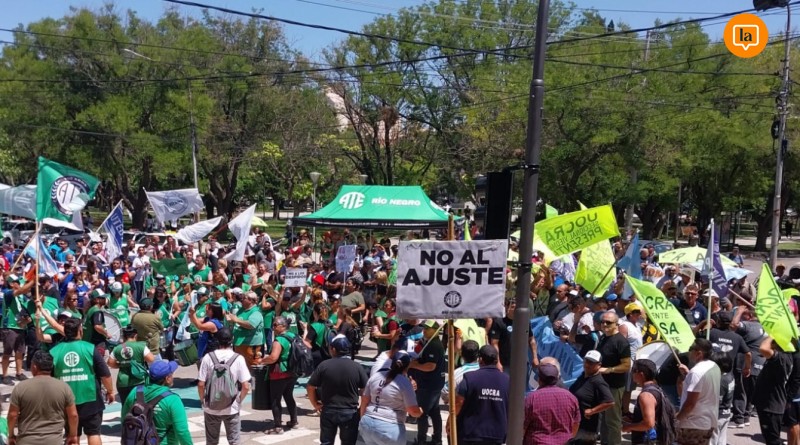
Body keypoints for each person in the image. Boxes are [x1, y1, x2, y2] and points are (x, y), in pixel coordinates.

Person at [50, 318, 115, 445]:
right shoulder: (89, 348)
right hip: (90, 398)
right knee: (93, 432)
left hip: (66, 401)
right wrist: (110, 391)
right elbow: (105, 374)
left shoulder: (54, 351)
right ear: (80, 331)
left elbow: (49, 378)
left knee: (72, 435)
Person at [7, 350, 79, 445]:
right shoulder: (64, 387)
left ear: (34, 367)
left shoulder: (21, 388)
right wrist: (73, 435)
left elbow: (12, 415)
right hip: (54, 441)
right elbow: (73, 415)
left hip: (26, 440)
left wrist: (11, 435)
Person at [307, 336, 368, 445]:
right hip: (350, 411)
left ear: (334, 349)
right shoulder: (357, 367)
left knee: (326, 442)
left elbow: (310, 387)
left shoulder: (324, 365)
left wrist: (315, 404)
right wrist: (361, 410)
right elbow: (366, 391)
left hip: (328, 410)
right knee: (349, 442)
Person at [197, 328, 251, 445]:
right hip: (231, 407)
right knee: (234, 441)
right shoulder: (238, 358)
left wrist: (203, 400)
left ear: (217, 340)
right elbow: (246, 386)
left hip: (211, 407)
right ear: (232, 340)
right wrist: (238, 400)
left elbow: (201, 384)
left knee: (211, 441)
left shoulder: (208, 357)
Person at [121, 360, 193, 445]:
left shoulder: (135, 392)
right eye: (171, 374)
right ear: (167, 379)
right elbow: (182, 432)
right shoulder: (173, 400)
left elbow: (124, 419)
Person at [359, 350, 422, 445]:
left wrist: (362, 419)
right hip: (389, 427)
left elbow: (364, 400)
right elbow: (413, 411)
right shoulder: (404, 382)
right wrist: (420, 411)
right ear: (407, 366)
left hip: (367, 423)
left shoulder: (376, 376)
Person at [454, 344, 510, 445]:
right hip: (497, 435)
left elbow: (459, 402)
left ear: (480, 360)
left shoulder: (469, 378)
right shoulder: (507, 381)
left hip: (471, 434)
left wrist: (451, 421)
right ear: (496, 360)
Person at [258, 316, 298, 434]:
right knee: (289, 396)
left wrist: (262, 361)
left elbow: (273, 357)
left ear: (283, 326)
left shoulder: (279, 340)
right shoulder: (293, 336)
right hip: (292, 371)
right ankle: (294, 421)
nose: (273, 327)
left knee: (276, 400)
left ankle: (278, 427)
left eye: (275, 325)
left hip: (279, 373)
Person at [408, 319, 446, 445]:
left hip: (429, 384)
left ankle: (421, 441)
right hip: (432, 383)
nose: (424, 330)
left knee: (422, 413)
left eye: (428, 328)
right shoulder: (429, 342)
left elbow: (430, 366)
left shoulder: (433, 345)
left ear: (435, 330)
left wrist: (414, 365)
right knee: (434, 411)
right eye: (424, 328)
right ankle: (437, 439)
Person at [522, 363, 580, 445]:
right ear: (557, 378)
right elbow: (576, 424)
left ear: (539, 380)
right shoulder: (571, 398)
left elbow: (523, 426)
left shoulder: (532, 398)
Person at [676, 338, 720, 445]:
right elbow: (703, 386)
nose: (689, 351)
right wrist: (688, 374)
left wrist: (677, 419)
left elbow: (690, 404)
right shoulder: (714, 367)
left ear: (699, 353)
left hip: (693, 424)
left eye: (691, 349)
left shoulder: (696, 372)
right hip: (708, 422)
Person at [596, 311, 631, 445]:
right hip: (602, 384)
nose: (604, 324)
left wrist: (609, 370)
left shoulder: (621, 342)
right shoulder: (603, 338)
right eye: (602, 322)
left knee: (612, 420)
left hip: (614, 387)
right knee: (604, 419)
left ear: (616, 324)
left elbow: (626, 365)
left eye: (608, 322)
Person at [569, 350, 615, 444]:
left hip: (586, 429)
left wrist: (592, 411)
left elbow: (610, 402)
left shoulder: (598, 382)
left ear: (599, 365)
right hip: (576, 424)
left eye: (591, 363)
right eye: (586, 361)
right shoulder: (583, 376)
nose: (587, 365)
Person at [754, 337, 793, 445]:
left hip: (771, 407)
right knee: (771, 439)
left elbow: (763, 348)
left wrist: (772, 335)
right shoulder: (785, 357)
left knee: (773, 441)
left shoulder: (781, 358)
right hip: (770, 405)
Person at [623, 359, 668, 445]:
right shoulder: (656, 388)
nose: (631, 373)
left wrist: (628, 427)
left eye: (633, 370)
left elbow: (648, 424)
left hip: (646, 440)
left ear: (641, 374)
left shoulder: (646, 395)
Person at [107, 325, 156, 404]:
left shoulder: (117, 348)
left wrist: (121, 364)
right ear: (135, 335)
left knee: (126, 405)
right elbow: (151, 359)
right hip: (138, 380)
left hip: (122, 381)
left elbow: (110, 363)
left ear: (124, 336)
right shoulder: (141, 346)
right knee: (140, 405)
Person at [2, 276, 35, 385]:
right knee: (7, 352)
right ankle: (5, 375)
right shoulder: (8, 293)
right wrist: (34, 280)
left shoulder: (22, 297)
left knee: (20, 352)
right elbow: (23, 290)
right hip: (10, 327)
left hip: (21, 326)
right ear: (12, 284)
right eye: (18, 282)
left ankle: (19, 373)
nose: (21, 284)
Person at [227, 291, 264, 368]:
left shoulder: (256, 312)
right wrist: (231, 319)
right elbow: (237, 320)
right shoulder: (242, 310)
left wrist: (236, 320)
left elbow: (251, 325)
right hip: (239, 343)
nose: (241, 299)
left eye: (244, 298)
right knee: (239, 366)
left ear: (251, 300)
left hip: (250, 345)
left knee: (250, 366)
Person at [442, 340, 480, 404]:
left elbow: (445, 393)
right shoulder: (486, 372)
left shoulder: (456, 373)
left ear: (461, 354)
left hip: (462, 408)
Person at [710, 352, 734, 445]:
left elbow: (717, 401)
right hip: (726, 413)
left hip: (717, 415)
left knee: (712, 440)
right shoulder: (729, 376)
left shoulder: (720, 380)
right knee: (721, 439)